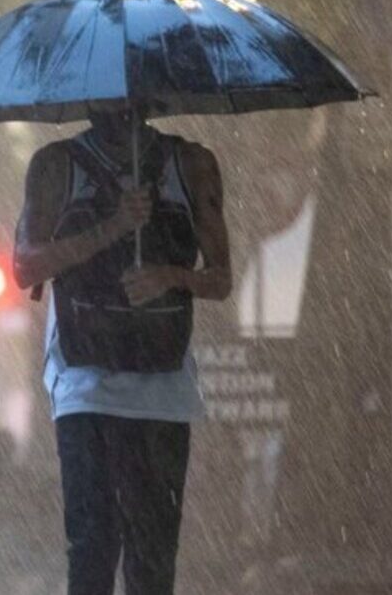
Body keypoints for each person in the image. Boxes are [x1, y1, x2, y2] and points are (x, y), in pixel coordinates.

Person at [13, 111, 231, 595]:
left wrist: (170, 277)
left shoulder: (190, 164)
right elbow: (25, 267)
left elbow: (221, 279)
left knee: (153, 556)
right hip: (84, 387)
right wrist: (112, 228)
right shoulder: (55, 166)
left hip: (164, 391)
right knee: (92, 546)